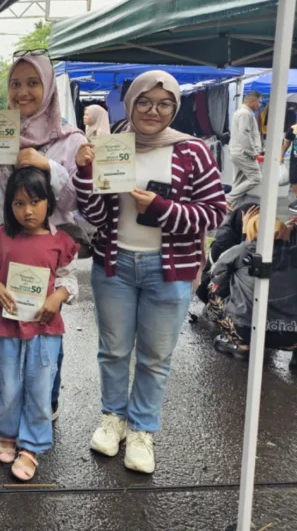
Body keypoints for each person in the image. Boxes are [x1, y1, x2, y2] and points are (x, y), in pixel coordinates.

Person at [74, 71, 226, 474]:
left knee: (155, 357)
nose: (152, 111)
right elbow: (93, 215)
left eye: (164, 104)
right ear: (130, 104)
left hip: (169, 271)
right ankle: (113, 417)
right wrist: (85, 172)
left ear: (175, 108)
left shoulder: (192, 151)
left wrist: (161, 209)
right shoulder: (113, 146)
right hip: (114, 264)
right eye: (144, 101)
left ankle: (142, 429)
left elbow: (214, 213)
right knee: (113, 350)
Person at [0, 51, 85, 430]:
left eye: (33, 83)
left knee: (44, 328)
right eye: (15, 84)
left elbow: (75, 201)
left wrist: (48, 166)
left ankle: (45, 402)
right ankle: (9, 406)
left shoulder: (69, 139)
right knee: (4, 330)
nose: (23, 92)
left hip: (44, 251)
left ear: (48, 87)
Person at [0, 167, 78, 482]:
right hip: (6, 324)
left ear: (49, 202)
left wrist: (57, 297)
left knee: (39, 384)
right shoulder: (1, 237)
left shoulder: (60, 241)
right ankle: (6, 433)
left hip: (44, 327)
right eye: (19, 204)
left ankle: (32, 445)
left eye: (35, 202)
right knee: (7, 382)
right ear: (9, 205)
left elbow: (69, 280)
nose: (28, 211)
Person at [211, 217, 297, 372]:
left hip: (249, 329)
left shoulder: (241, 251)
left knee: (213, 289)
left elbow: (216, 274)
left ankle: (242, 346)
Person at [228, 91, 263, 208]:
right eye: (259, 102)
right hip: (244, 152)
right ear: (252, 101)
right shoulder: (245, 114)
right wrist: (252, 151)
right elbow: (244, 134)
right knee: (256, 178)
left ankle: (231, 207)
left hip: (238, 151)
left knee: (238, 181)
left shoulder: (241, 112)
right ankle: (227, 199)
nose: (259, 105)